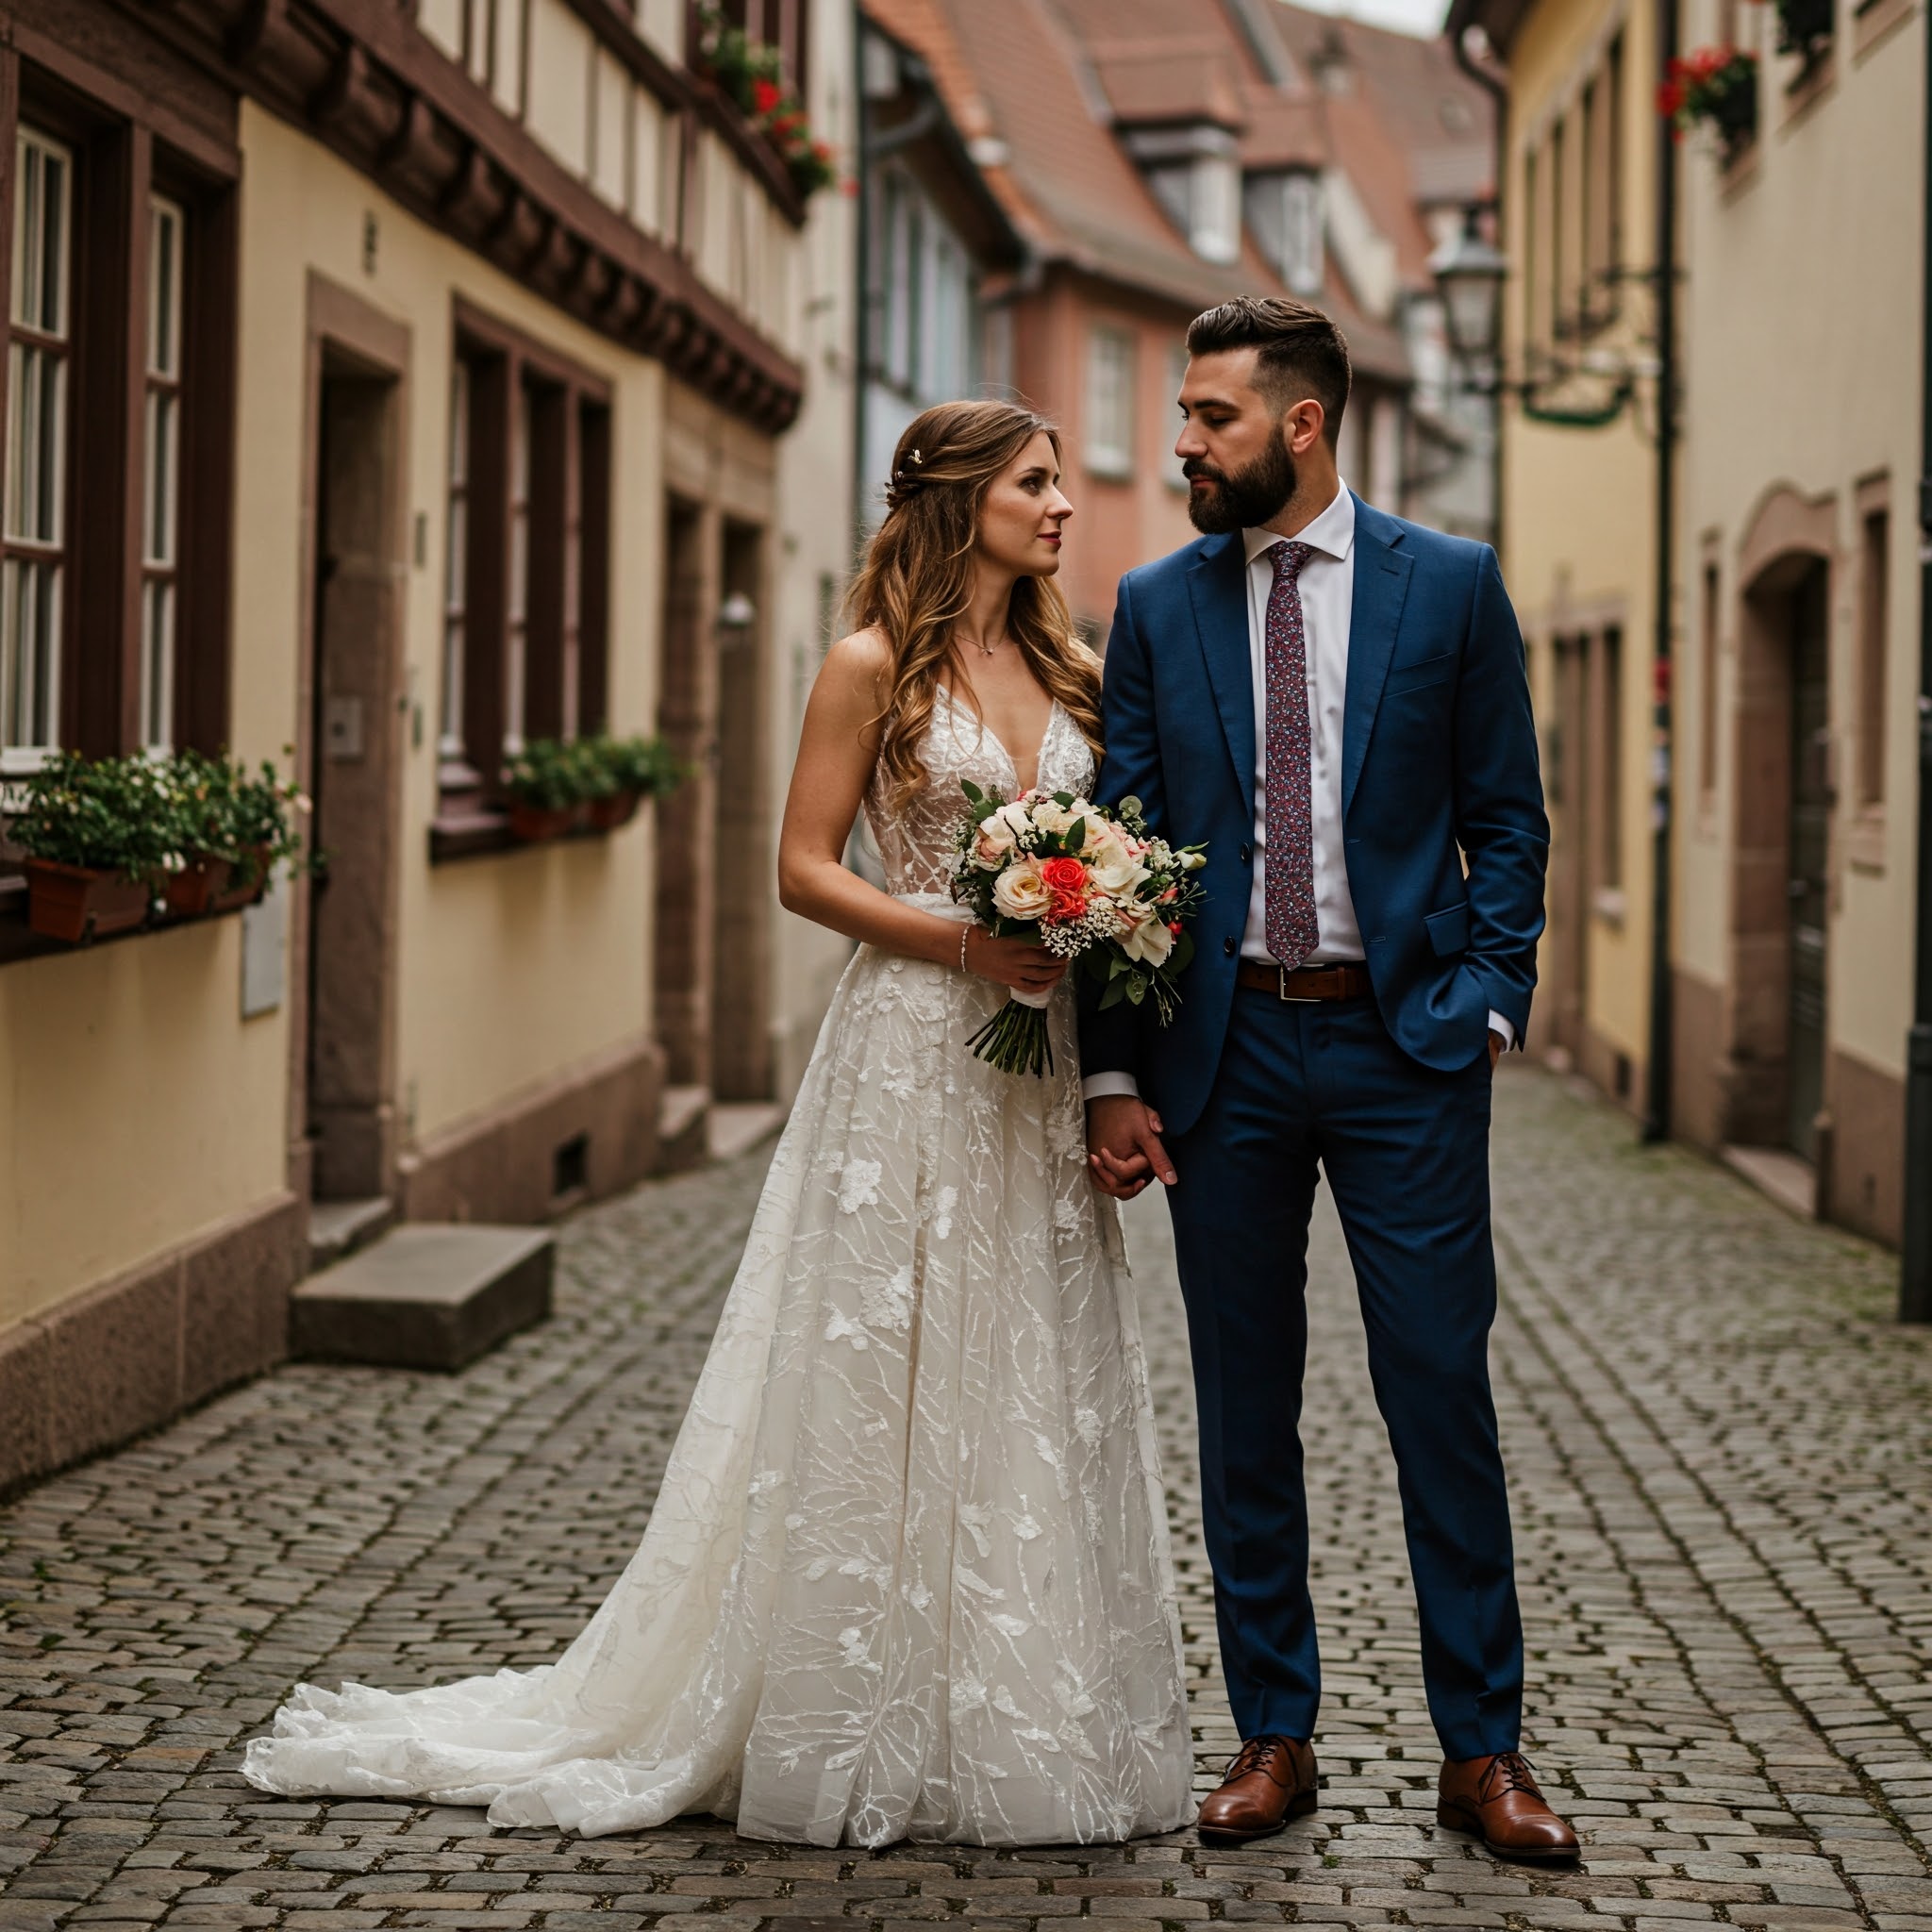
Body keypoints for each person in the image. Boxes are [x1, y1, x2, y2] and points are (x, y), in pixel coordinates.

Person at [242, 399, 1193, 1849]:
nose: (1065, 505)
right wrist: (965, 942)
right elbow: (802, 871)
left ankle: (1016, 1701)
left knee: (1027, 1352)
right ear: (958, 499)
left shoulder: (1077, 670)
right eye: (1036, 482)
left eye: (1059, 482)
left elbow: (1114, 843)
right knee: (885, 1356)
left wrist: (1103, 911)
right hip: (914, 1045)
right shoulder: (871, 666)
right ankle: (843, 1699)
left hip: (1039, 1057)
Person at [1081, 296, 1577, 1862]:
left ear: (1301, 423)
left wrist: (1488, 1002)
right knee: (1245, 1404)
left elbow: (1509, 817)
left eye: (1210, 416)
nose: (1181, 443)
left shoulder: (1452, 589)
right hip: (1221, 1054)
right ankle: (1272, 1734)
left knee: (1438, 1385)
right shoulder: (1158, 605)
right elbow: (1117, 849)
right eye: (1180, 413)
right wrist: (1110, 1065)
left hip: (1403, 1045)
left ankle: (1482, 1752)